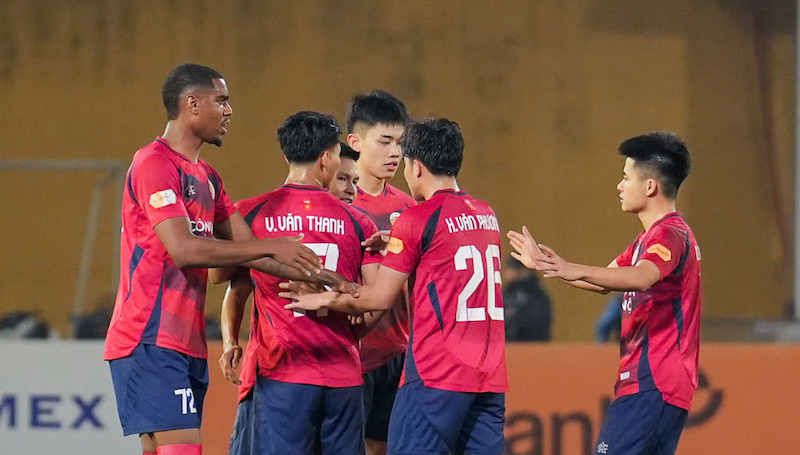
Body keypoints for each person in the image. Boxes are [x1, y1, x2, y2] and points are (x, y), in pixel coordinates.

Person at [103, 63, 320, 455]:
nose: (229, 110)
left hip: (185, 341)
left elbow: (248, 249)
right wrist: (271, 246)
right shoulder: (154, 163)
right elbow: (185, 250)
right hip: (148, 336)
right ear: (192, 104)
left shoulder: (208, 177)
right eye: (221, 100)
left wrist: (327, 280)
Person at [284, 118, 508, 455]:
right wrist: (400, 242)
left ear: (416, 167)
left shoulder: (418, 218)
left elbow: (376, 298)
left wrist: (326, 298)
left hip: (436, 376)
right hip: (489, 378)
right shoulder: (486, 214)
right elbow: (450, 255)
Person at [508, 132, 701, 455]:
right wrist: (546, 264)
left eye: (626, 178)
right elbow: (605, 281)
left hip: (653, 380)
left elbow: (641, 278)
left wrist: (570, 268)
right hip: (654, 383)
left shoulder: (669, 234)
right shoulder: (648, 239)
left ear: (650, 186)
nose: (620, 186)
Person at [223, 111, 383, 455]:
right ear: (327, 159)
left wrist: (229, 342)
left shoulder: (250, 213)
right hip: (343, 375)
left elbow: (234, 287)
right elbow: (376, 302)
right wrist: (353, 331)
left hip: (281, 374)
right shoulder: (359, 223)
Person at [346, 90, 416, 455]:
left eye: (400, 143)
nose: (395, 152)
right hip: (347, 352)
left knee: (381, 447)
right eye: (385, 141)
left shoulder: (408, 208)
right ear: (354, 142)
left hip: (395, 352)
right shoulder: (336, 203)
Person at [502, 257, 552, 342]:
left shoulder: (535, 294)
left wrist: (515, 316)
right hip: (509, 346)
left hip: (533, 345)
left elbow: (537, 321)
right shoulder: (507, 293)